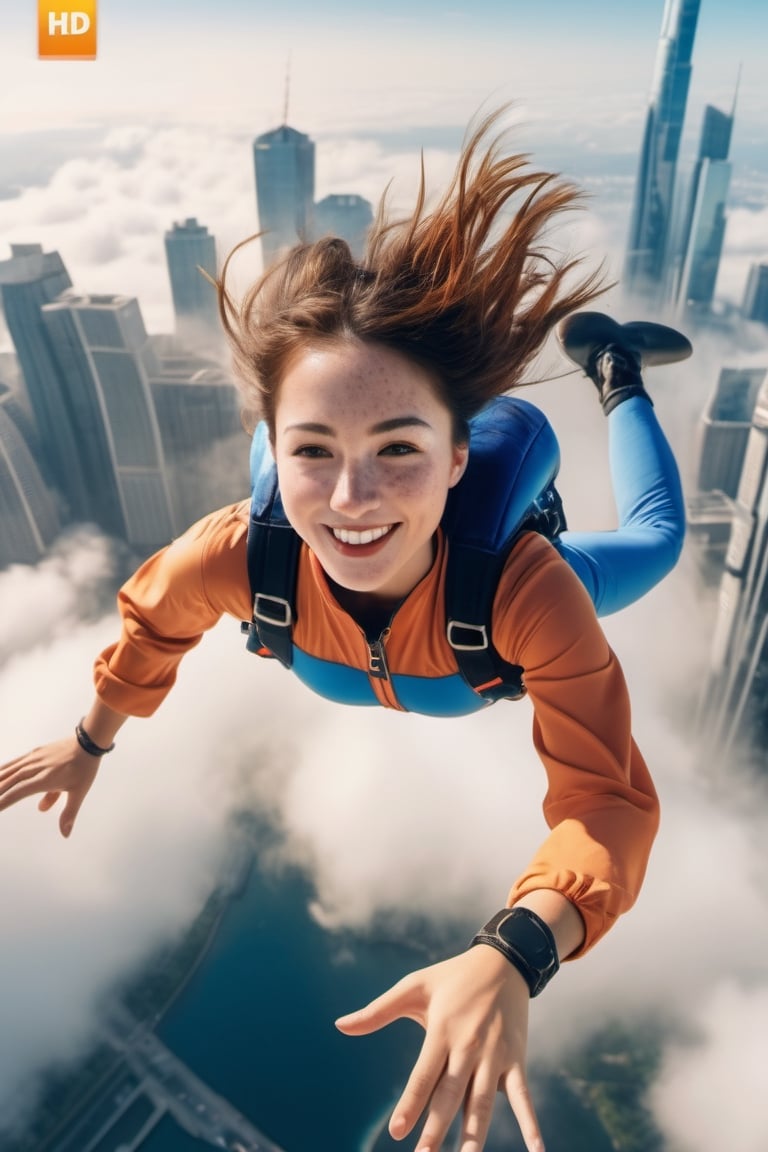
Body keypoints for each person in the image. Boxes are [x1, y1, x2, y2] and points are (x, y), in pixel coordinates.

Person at [0, 111, 690, 1152]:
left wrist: (514, 950)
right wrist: (91, 740)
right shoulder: (241, 555)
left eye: (399, 448)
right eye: (314, 450)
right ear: (273, 447)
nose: (353, 498)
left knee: (659, 540)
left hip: (486, 626)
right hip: (435, 654)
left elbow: (609, 802)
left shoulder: (529, 595)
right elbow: (153, 624)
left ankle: (617, 372)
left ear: (460, 459)